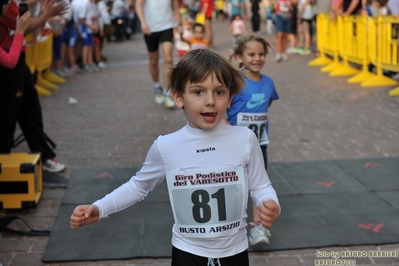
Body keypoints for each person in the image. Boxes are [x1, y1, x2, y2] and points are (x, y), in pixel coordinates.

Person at [70, 49, 281, 265]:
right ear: (179, 97)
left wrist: (269, 202)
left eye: (219, 92)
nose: (210, 101)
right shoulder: (166, 146)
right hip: (187, 253)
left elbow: (261, 185)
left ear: (230, 98)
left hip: (235, 253)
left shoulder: (245, 139)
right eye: (198, 92)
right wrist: (100, 208)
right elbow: (138, 186)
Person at [0, 0, 67, 173]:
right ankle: (5, 165)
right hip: (9, 69)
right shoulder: (8, 7)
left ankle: (43, 155)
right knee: (8, 118)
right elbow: (10, 59)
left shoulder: (12, 5)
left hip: (16, 65)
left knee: (30, 111)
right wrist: (45, 15)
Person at [226, 34, 280, 247]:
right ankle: (230, 226)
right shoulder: (235, 82)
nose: (257, 58)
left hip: (259, 145)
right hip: (233, 145)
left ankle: (258, 229)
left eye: (261, 54)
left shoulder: (268, 83)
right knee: (234, 185)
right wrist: (228, 127)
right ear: (240, 56)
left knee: (258, 185)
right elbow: (223, 107)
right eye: (251, 54)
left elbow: (267, 105)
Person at [135, 0, 182, 109]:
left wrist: (179, 24)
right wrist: (143, 22)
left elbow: (175, 8)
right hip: (150, 29)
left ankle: (167, 92)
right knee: (153, 61)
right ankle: (157, 87)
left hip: (167, 26)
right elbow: (138, 4)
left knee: (168, 58)